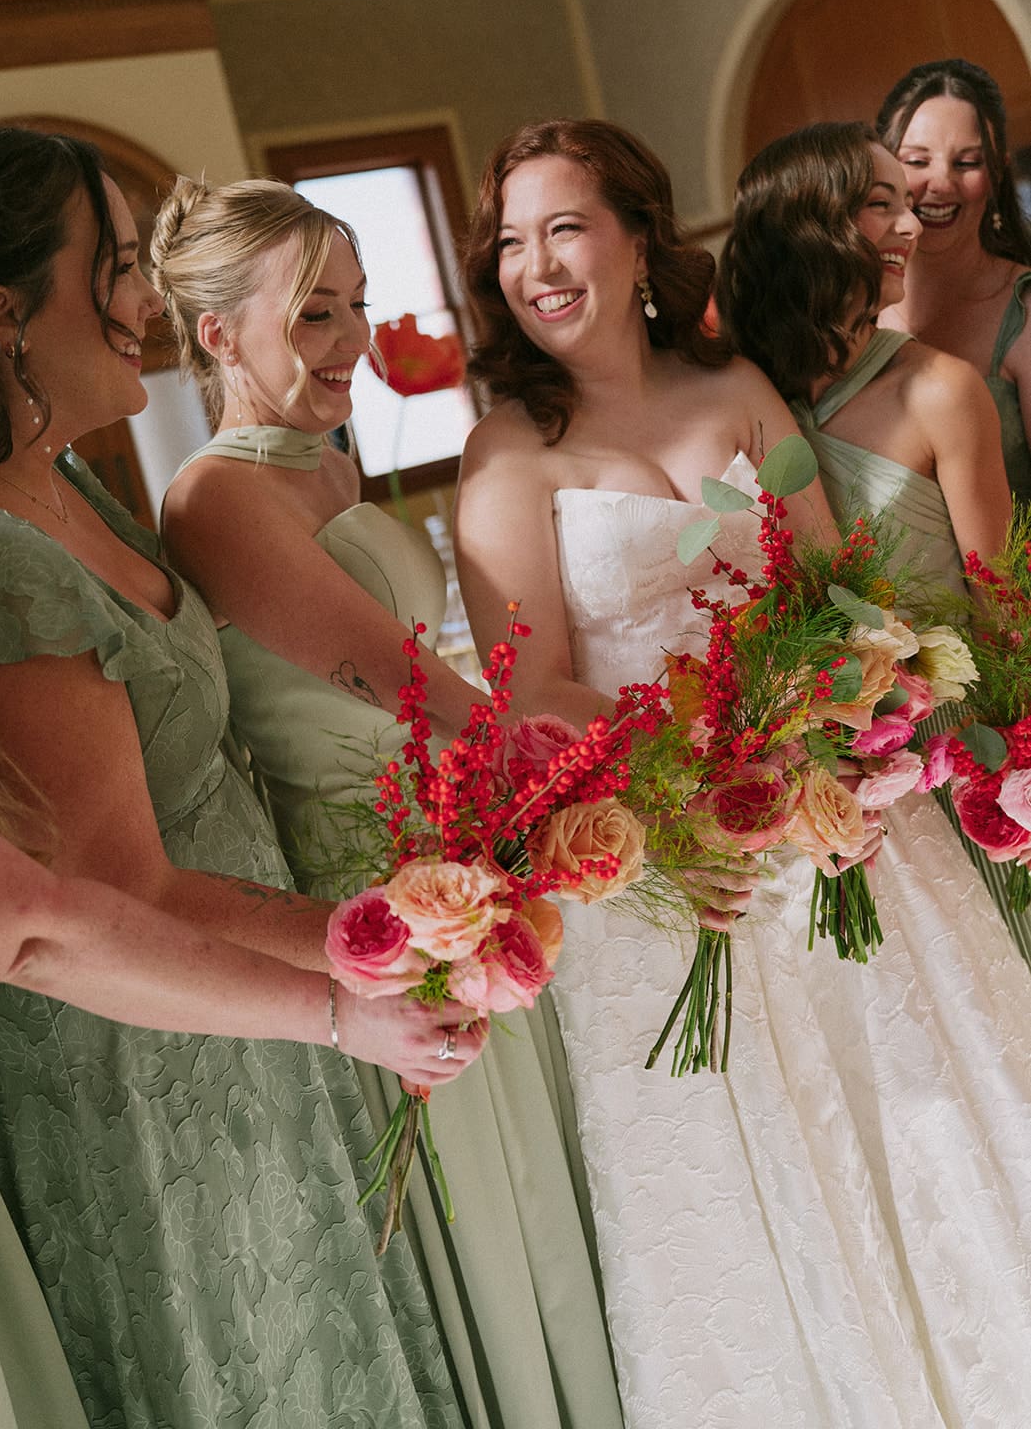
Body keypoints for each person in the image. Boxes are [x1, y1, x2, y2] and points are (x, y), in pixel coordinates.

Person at [455, 116, 1031, 1429]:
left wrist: (839, 740)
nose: (535, 265)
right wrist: (707, 785)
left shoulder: (739, 398)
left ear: (638, 239)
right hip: (676, 871)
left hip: (835, 830)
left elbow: (828, 590)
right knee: (773, 1200)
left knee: (941, 1134)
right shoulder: (508, 456)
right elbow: (532, 691)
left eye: (565, 228)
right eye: (508, 243)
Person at [0, 123, 484, 1429]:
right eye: (121, 268)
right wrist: (351, 958)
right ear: (3, 313)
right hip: (143, 1044)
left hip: (256, 980)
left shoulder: (67, 478)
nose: (150, 302)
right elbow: (111, 887)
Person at [154, 175, 625, 1429]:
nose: (351, 340)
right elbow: (417, 693)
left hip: (464, 862)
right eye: (315, 313)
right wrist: (605, 762)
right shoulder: (217, 494)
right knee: (495, 1201)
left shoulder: (325, 469)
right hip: (380, 899)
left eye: (358, 306)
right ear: (216, 334)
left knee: (555, 1183)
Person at [718, 118, 1031, 971]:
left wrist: (1011, 773)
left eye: (906, 205)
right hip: (819, 771)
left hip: (953, 746)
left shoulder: (940, 387)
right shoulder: (736, 390)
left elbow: (1000, 604)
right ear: (805, 223)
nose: (908, 226)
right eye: (878, 204)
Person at [876, 57, 1031, 502]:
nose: (941, 183)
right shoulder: (850, 308)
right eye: (917, 161)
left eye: (966, 162)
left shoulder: (1024, 312)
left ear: (996, 173)